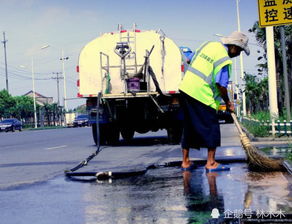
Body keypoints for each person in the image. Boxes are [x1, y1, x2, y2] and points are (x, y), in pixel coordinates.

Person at [179, 31, 250, 172]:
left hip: (185, 88)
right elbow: (221, 85)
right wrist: (228, 102)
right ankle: (211, 163)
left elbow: (188, 60)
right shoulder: (224, 59)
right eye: (240, 51)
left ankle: (185, 162)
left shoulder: (208, 45)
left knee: (189, 126)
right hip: (201, 94)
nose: (238, 55)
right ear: (234, 47)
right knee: (211, 127)